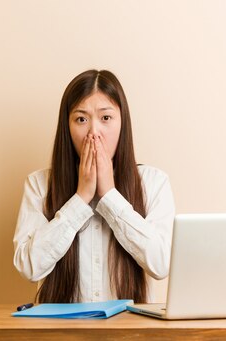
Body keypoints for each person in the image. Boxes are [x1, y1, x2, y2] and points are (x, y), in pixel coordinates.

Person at [13, 69, 175, 303]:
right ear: (67, 127)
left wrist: (109, 195)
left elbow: (161, 264)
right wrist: (80, 199)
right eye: (81, 119)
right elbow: (28, 267)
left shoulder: (153, 182)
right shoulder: (39, 185)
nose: (93, 132)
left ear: (122, 123)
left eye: (106, 118)